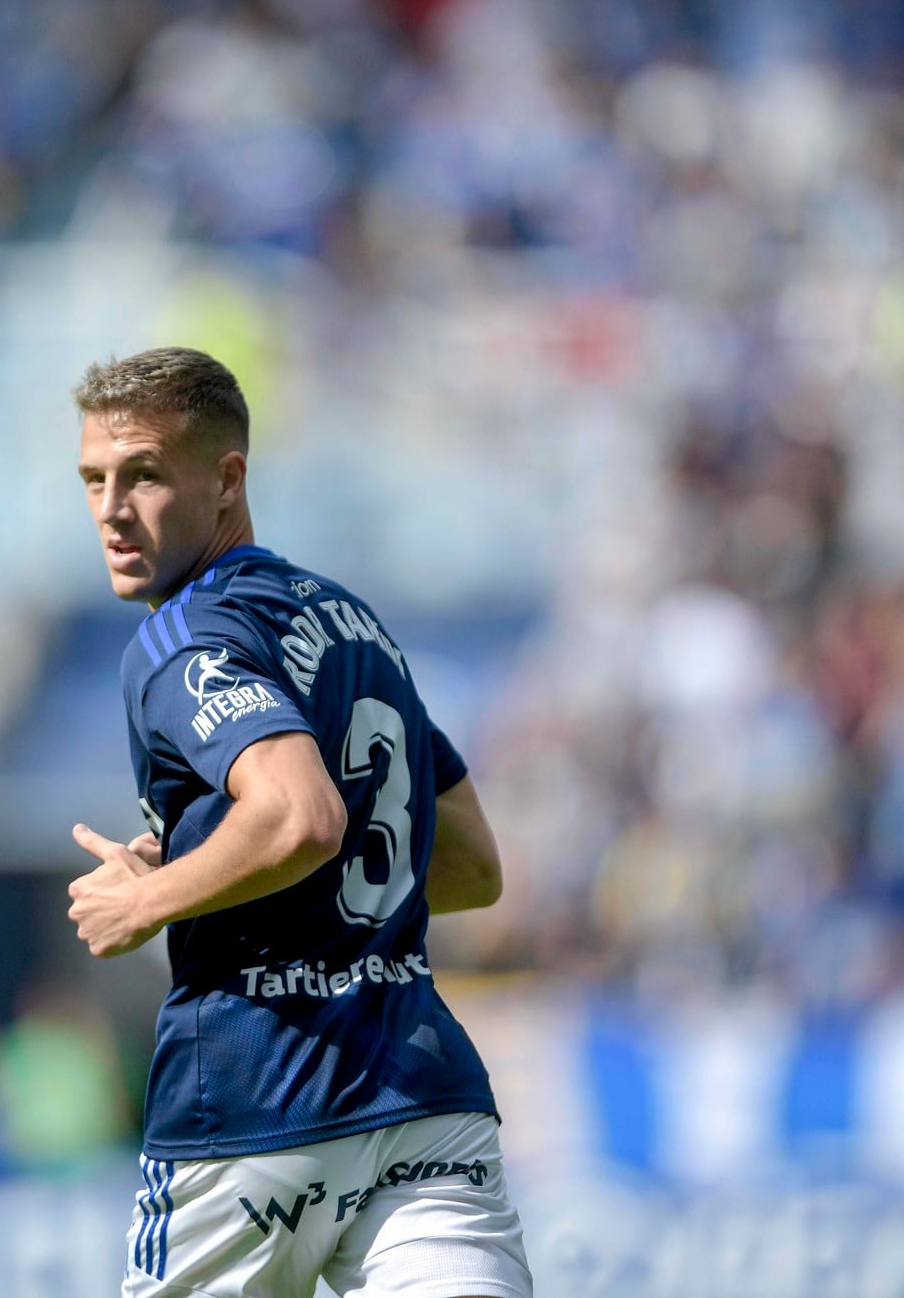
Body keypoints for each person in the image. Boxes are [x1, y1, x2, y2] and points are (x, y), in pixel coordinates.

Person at [65, 347, 531, 1298]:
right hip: (420, 1098)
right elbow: (472, 865)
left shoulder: (181, 636)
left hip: (251, 1101)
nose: (112, 508)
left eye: (144, 474)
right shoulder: (352, 623)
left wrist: (151, 898)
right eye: (94, 479)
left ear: (227, 477)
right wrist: (214, 851)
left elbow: (302, 816)